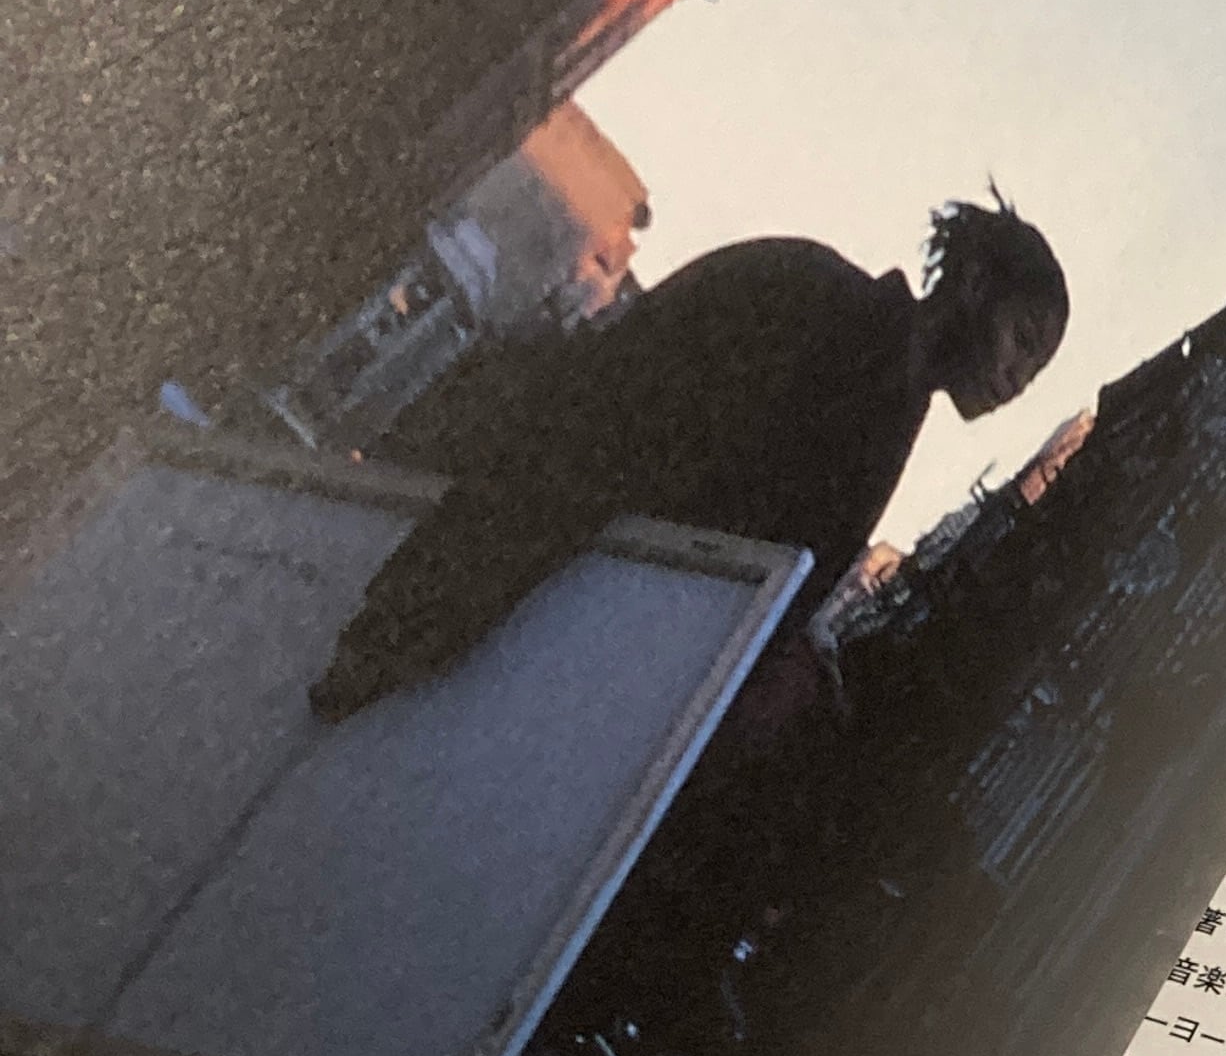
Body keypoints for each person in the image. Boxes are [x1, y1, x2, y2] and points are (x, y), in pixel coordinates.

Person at [308, 193, 1066, 720]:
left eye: (1034, 371)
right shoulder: (811, 296)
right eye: (1023, 340)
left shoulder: (889, 409)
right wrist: (441, 604)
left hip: (570, 658)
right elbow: (602, 426)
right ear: (974, 285)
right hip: (510, 601)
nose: (1016, 381)